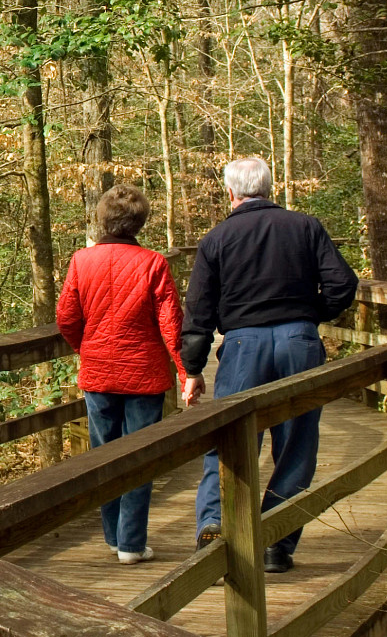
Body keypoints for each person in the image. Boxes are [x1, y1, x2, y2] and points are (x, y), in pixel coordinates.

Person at [181, 156, 358, 573]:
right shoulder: (306, 227)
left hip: (243, 344)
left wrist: (192, 370)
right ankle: (276, 542)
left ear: (231, 192)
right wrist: (310, 313)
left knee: (230, 439)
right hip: (299, 340)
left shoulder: (217, 239)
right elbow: (343, 284)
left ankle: (215, 523)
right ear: (269, 187)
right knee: (296, 443)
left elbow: (199, 311)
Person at [55, 184, 186, 565]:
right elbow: (171, 325)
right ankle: (130, 543)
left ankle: (113, 537)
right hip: (144, 374)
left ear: (103, 218)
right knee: (139, 457)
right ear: (140, 222)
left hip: (99, 374)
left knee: (104, 455)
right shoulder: (153, 263)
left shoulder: (82, 261)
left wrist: (87, 348)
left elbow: (66, 317)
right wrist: (184, 371)